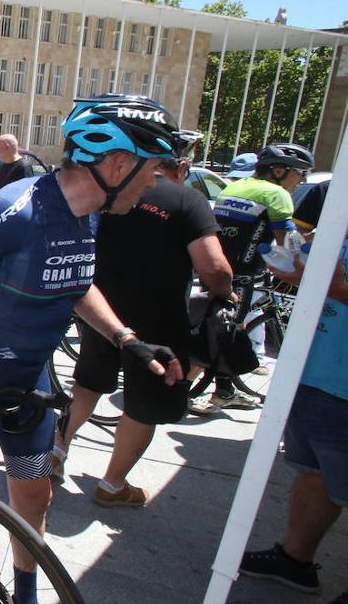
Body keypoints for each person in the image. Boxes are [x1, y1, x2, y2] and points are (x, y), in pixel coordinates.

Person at [0, 94, 184, 604]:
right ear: (118, 163)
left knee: (35, 493)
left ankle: (27, 594)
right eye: (153, 168)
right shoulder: (16, 210)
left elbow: (77, 283)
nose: (156, 181)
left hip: (28, 382)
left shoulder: (91, 213)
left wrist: (127, 340)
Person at [52, 136, 237, 506]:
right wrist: (225, 291)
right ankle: (113, 484)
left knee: (88, 385)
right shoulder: (188, 200)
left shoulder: (110, 191)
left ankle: (56, 452)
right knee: (144, 403)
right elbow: (213, 266)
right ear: (181, 167)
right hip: (159, 318)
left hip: (100, 308)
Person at [238, 228, 348, 599]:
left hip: (343, 388)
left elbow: (333, 286)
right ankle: (295, 560)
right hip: (310, 375)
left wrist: (337, 291)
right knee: (313, 473)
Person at [210, 142, 313, 397]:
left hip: (218, 266)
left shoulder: (235, 186)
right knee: (225, 333)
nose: (302, 180)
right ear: (279, 170)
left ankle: (223, 390)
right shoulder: (276, 195)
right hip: (244, 273)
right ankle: (200, 393)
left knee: (222, 327)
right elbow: (288, 244)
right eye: (300, 172)